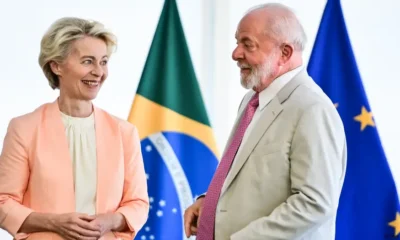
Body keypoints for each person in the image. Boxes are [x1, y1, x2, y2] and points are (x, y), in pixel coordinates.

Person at [184, 3, 347, 240]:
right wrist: (210, 204)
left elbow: (314, 204)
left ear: (285, 53)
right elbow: (252, 180)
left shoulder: (312, 109)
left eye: (247, 44)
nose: (235, 53)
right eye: (237, 42)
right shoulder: (252, 100)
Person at [0, 17, 149, 240]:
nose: (99, 72)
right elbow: (3, 202)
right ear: (56, 65)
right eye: (88, 61)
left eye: (104, 61)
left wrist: (107, 221)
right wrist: (55, 222)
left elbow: (138, 203)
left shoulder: (124, 132)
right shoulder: (24, 128)